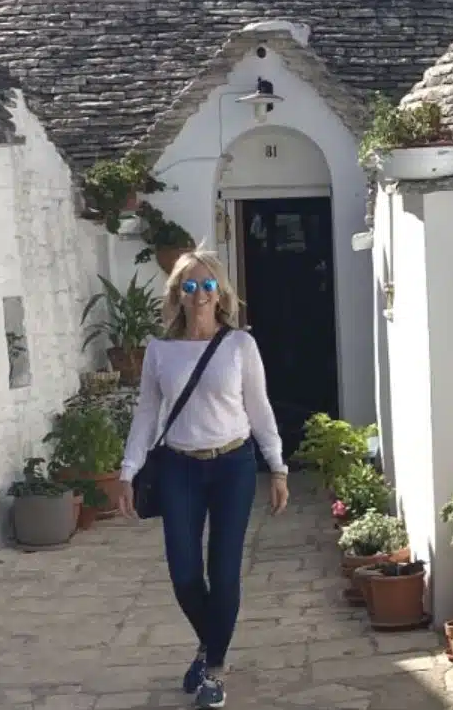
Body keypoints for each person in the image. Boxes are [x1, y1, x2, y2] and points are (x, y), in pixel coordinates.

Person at [117, 249, 288, 709]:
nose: (199, 295)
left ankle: (214, 669)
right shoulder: (160, 352)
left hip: (233, 464)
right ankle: (208, 643)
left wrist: (277, 466)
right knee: (185, 573)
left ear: (221, 292)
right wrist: (127, 471)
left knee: (224, 570)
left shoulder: (240, 346)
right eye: (189, 286)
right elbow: (147, 414)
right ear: (177, 294)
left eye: (207, 285)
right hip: (178, 467)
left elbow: (260, 408)